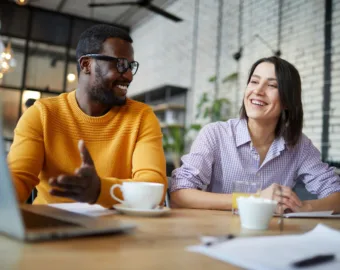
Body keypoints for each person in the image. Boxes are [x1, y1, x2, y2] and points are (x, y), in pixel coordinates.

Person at [8, 24, 167, 208]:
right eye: (121, 64)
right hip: (50, 228)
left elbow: (154, 188)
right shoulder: (42, 114)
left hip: (119, 230)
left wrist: (100, 190)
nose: (129, 76)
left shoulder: (141, 117)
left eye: (131, 66)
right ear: (86, 65)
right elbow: (17, 179)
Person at [170, 56, 340, 213]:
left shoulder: (299, 145)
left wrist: (303, 207)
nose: (258, 90)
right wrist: (255, 199)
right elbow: (179, 194)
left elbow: (336, 194)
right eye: (254, 81)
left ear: (288, 101)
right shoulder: (215, 134)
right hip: (219, 235)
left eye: (272, 85)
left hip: (271, 237)